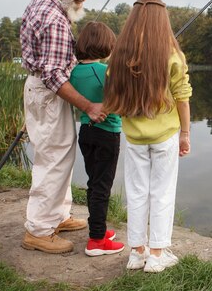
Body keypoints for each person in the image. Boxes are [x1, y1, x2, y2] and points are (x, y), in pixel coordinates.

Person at [20, 0, 107, 254]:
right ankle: (40, 230)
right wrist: (89, 106)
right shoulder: (55, 20)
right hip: (48, 93)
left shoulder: (41, 4)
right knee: (53, 158)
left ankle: (58, 215)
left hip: (38, 90)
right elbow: (55, 76)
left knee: (58, 152)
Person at [103, 0, 192, 273]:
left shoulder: (118, 56)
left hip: (134, 138)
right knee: (162, 193)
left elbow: (111, 91)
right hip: (165, 136)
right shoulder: (173, 55)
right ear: (161, 20)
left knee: (137, 193)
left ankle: (136, 253)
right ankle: (156, 255)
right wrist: (185, 133)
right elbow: (182, 96)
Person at [69, 22, 125, 256]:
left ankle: (97, 229)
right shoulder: (104, 72)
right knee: (102, 186)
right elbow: (122, 100)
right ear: (104, 45)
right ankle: (97, 241)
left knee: (94, 183)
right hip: (107, 134)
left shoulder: (74, 72)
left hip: (86, 132)